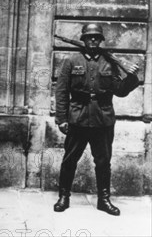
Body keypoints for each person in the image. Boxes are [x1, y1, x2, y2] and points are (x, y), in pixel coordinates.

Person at [54, 23, 140, 215]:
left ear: (100, 40)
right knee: (69, 160)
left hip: (103, 120)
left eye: (96, 37)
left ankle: (104, 200)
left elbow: (120, 91)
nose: (92, 40)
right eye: (89, 37)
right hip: (77, 118)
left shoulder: (109, 62)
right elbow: (61, 92)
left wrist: (132, 76)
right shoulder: (71, 61)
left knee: (103, 162)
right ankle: (64, 196)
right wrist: (61, 119)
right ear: (83, 39)